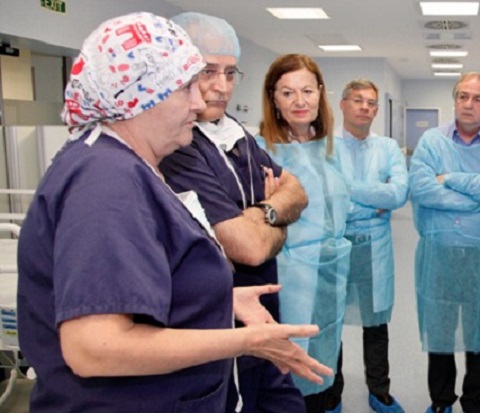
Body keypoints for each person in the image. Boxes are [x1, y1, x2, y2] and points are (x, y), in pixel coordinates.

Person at [16, 12, 330, 412]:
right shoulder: (105, 180)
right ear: (141, 95)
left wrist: (220, 299)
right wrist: (247, 341)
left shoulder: (131, 167)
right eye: (186, 88)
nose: (200, 102)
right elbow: (94, 348)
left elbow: (150, 276)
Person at [159, 12, 310, 413]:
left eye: (230, 73)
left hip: (262, 317)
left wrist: (262, 214)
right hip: (218, 328)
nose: (221, 87)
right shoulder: (178, 146)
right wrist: (275, 213)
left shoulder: (235, 133)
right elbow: (249, 248)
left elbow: (297, 192)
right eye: (208, 71)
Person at [409, 72, 480, 413]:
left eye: (476, 98)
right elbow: (422, 188)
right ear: (454, 100)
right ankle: (441, 400)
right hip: (439, 255)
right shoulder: (432, 141)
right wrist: (477, 198)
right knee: (440, 331)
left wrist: (452, 180)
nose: (468, 104)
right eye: (462, 96)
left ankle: (475, 401)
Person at [256, 53, 352, 413]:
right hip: (287, 274)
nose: (300, 101)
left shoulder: (329, 147)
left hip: (331, 270)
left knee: (327, 348)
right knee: (288, 365)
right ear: (273, 100)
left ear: (320, 94)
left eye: (307, 91)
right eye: (287, 92)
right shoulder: (260, 149)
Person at [327, 79, 409, 413]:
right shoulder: (325, 147)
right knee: (332, 323)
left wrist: (348, 191)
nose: (365, 107)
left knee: (376, 323)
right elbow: (330, 201)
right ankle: (332, 394)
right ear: (343, 104)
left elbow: (398, 194)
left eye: (372, 102)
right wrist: (373, 198)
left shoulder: (389, 147)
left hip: (375, 247)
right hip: (336, 243)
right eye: (358, 100)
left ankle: (380, 391)